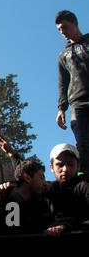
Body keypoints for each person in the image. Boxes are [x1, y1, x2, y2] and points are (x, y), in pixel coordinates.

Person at [55, 10, 89, 174]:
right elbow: (63, 83)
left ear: (75, 24)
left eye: (64, 27)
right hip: (78, 104)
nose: (62, 32)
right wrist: (61, 108)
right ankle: (85, 181)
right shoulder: (63, 55)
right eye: (59, 30)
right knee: (82, 145)